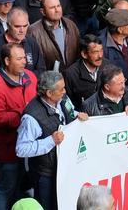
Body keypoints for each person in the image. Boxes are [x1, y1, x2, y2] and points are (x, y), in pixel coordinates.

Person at [15, 71, 85, 210]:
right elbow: (21, 149)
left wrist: (78, 115)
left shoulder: (62, 99)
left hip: (65, 167)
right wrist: (50, 141)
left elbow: (70, 112)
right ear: (49, 93)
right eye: (61, 89)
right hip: (46, 174)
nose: (65, 91)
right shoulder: (31, 118)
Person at [0, 43, 38, 210]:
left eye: (24, 58)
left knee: (22, 184)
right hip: (8, 147)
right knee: (6, 187)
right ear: (7, 61)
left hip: (29, 144)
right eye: (19, 59)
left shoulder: (30, 77)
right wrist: (22, 115)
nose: (24, 62)